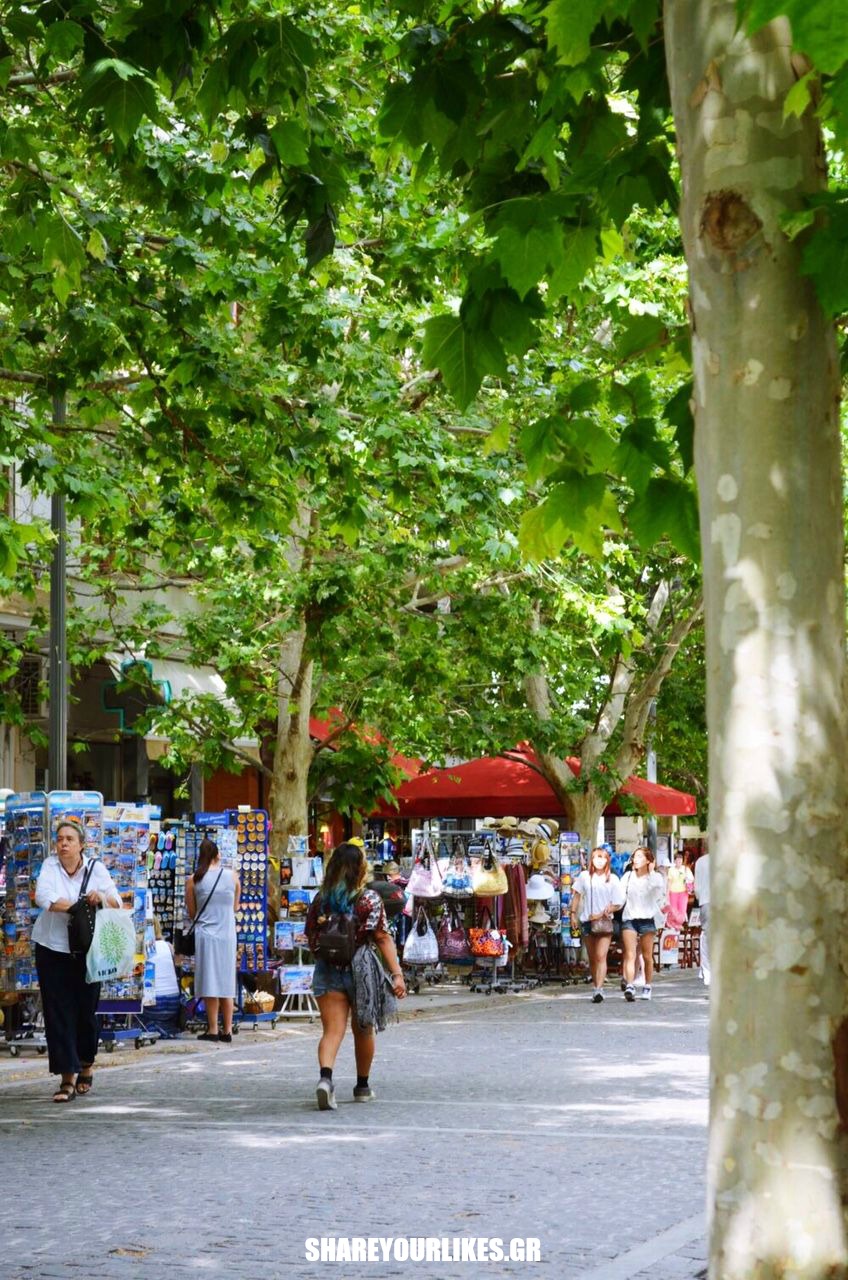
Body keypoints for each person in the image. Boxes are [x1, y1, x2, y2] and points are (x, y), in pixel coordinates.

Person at [305, 841, 407, 1110]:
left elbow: (310, 936)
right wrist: (396, 974)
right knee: (363, 1029)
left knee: (332, 1031)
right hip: (360, 969)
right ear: (360, 869)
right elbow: (382, 937)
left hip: (327, 968)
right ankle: (362, 1086)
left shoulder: (321, 900)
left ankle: (325, 1080)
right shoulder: (369, 898)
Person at [33, 820, 122, 1102]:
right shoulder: (50, 867)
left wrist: (100, 898)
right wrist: (78, 906)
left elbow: (117, 901)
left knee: (85, 1012)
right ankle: (67, 1078)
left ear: (81, 844)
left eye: (69, 839)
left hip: (87, 951)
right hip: (52, 948)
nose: (63, 844)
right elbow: (43, 897)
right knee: (58, 1012)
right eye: (59, 839)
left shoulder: (96, 869)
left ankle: (86, 1064)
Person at [185, 838, 240, 1043]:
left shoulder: (194, 879)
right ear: (218, 855)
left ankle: (213, 1029)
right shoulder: (233, 877)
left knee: (209, 981)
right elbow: (235, 907)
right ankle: (227, 1030)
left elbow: (192, 912)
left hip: (206, 936)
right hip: (227, 934)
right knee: (227, 981)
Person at [570, 847, 624, 1003]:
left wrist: (608, 909)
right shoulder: (584, 876)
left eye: (602, 857)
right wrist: (573, 914)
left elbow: (618, 902)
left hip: (604, 922)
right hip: (587, 921)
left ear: (607, 859)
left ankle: (599, 989)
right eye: (595, 857)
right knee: (593, 958)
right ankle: (596, 985)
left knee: (601, 956)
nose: (599, 860)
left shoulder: (612, 878)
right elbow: (577, 895)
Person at [620, 846, 667, 1002]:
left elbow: (658, 891)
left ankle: (647, 985)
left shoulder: (655, 878)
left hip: (647, 918)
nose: (636, 859)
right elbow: (620, 897)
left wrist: (652, 871)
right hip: (630, 917)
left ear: (648, 860)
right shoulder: (627, 877)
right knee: (630, 953)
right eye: (635, 857)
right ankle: (630, 985)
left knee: (647, 955)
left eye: (640, 857)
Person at [140, 917, 182, 1038]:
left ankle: (152, 1027)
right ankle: (162, 1028)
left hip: (154, 1003)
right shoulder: (168, 946)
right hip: (174, 1002)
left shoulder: (143, 948)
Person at [694, 850, 710, 988]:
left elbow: (696, 887)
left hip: (705, 901)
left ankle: (706, 970)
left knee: (706, 934)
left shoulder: (700, 861)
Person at [665, 851, 694, 929]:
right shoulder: (671, 870)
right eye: (677, 860)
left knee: (682, 910)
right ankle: (671, 924)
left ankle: (678, 924)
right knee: (673, 910)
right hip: (673, 892)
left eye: (680, 861)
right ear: (674, 861)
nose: (679, 862)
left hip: (683, 893)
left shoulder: (686, 869)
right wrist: (667, 894)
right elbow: (669, 882)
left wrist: (687, 880)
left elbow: (691, 880)